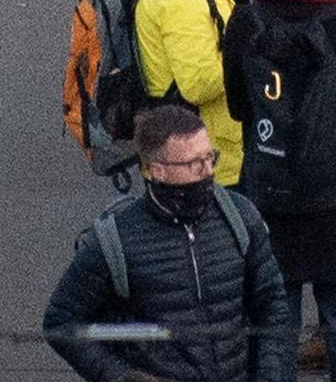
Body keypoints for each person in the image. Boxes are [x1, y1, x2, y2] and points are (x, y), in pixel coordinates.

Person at [38, 102, 291, 382]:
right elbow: (61, 322)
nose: (208, 171)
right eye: (195, 163)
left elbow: (272, 305)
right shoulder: (115, 240)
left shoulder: (240, 216)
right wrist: (121, 376)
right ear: (158, 171)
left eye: (211, 158)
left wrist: (269, 375)